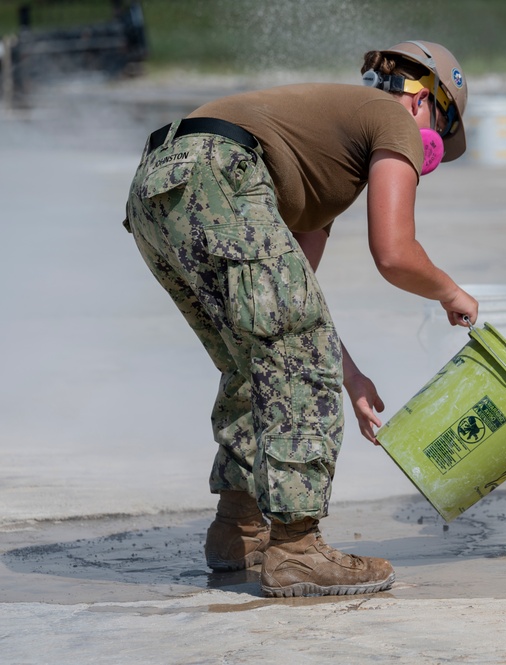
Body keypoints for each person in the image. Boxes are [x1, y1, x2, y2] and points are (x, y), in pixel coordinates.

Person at [124, 41, 478, 596]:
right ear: (426, 100)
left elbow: (290, 306)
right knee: (286, 353)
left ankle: (238, 529)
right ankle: (296, 549)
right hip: (222, 170)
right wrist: (451, 293)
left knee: (258, 352)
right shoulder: (394, 117)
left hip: (156, 182)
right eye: (440, 130)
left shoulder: (322, 164)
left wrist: (351, 376)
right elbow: (394, 253)